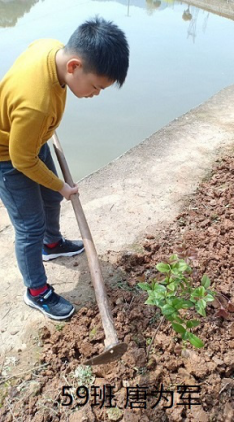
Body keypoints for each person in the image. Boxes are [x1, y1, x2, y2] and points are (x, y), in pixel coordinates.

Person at [0, 16, 130, 321]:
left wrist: (54, 186)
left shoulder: (51, 48)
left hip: (32, 138)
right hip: (7, 155)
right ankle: (36, 291)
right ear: (73, 66)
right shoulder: (37, 104)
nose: (96, 93)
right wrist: (62, 185)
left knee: (50, 198)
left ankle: (52, 243)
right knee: (29, 225)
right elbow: (22, 161)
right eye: (96, 86)